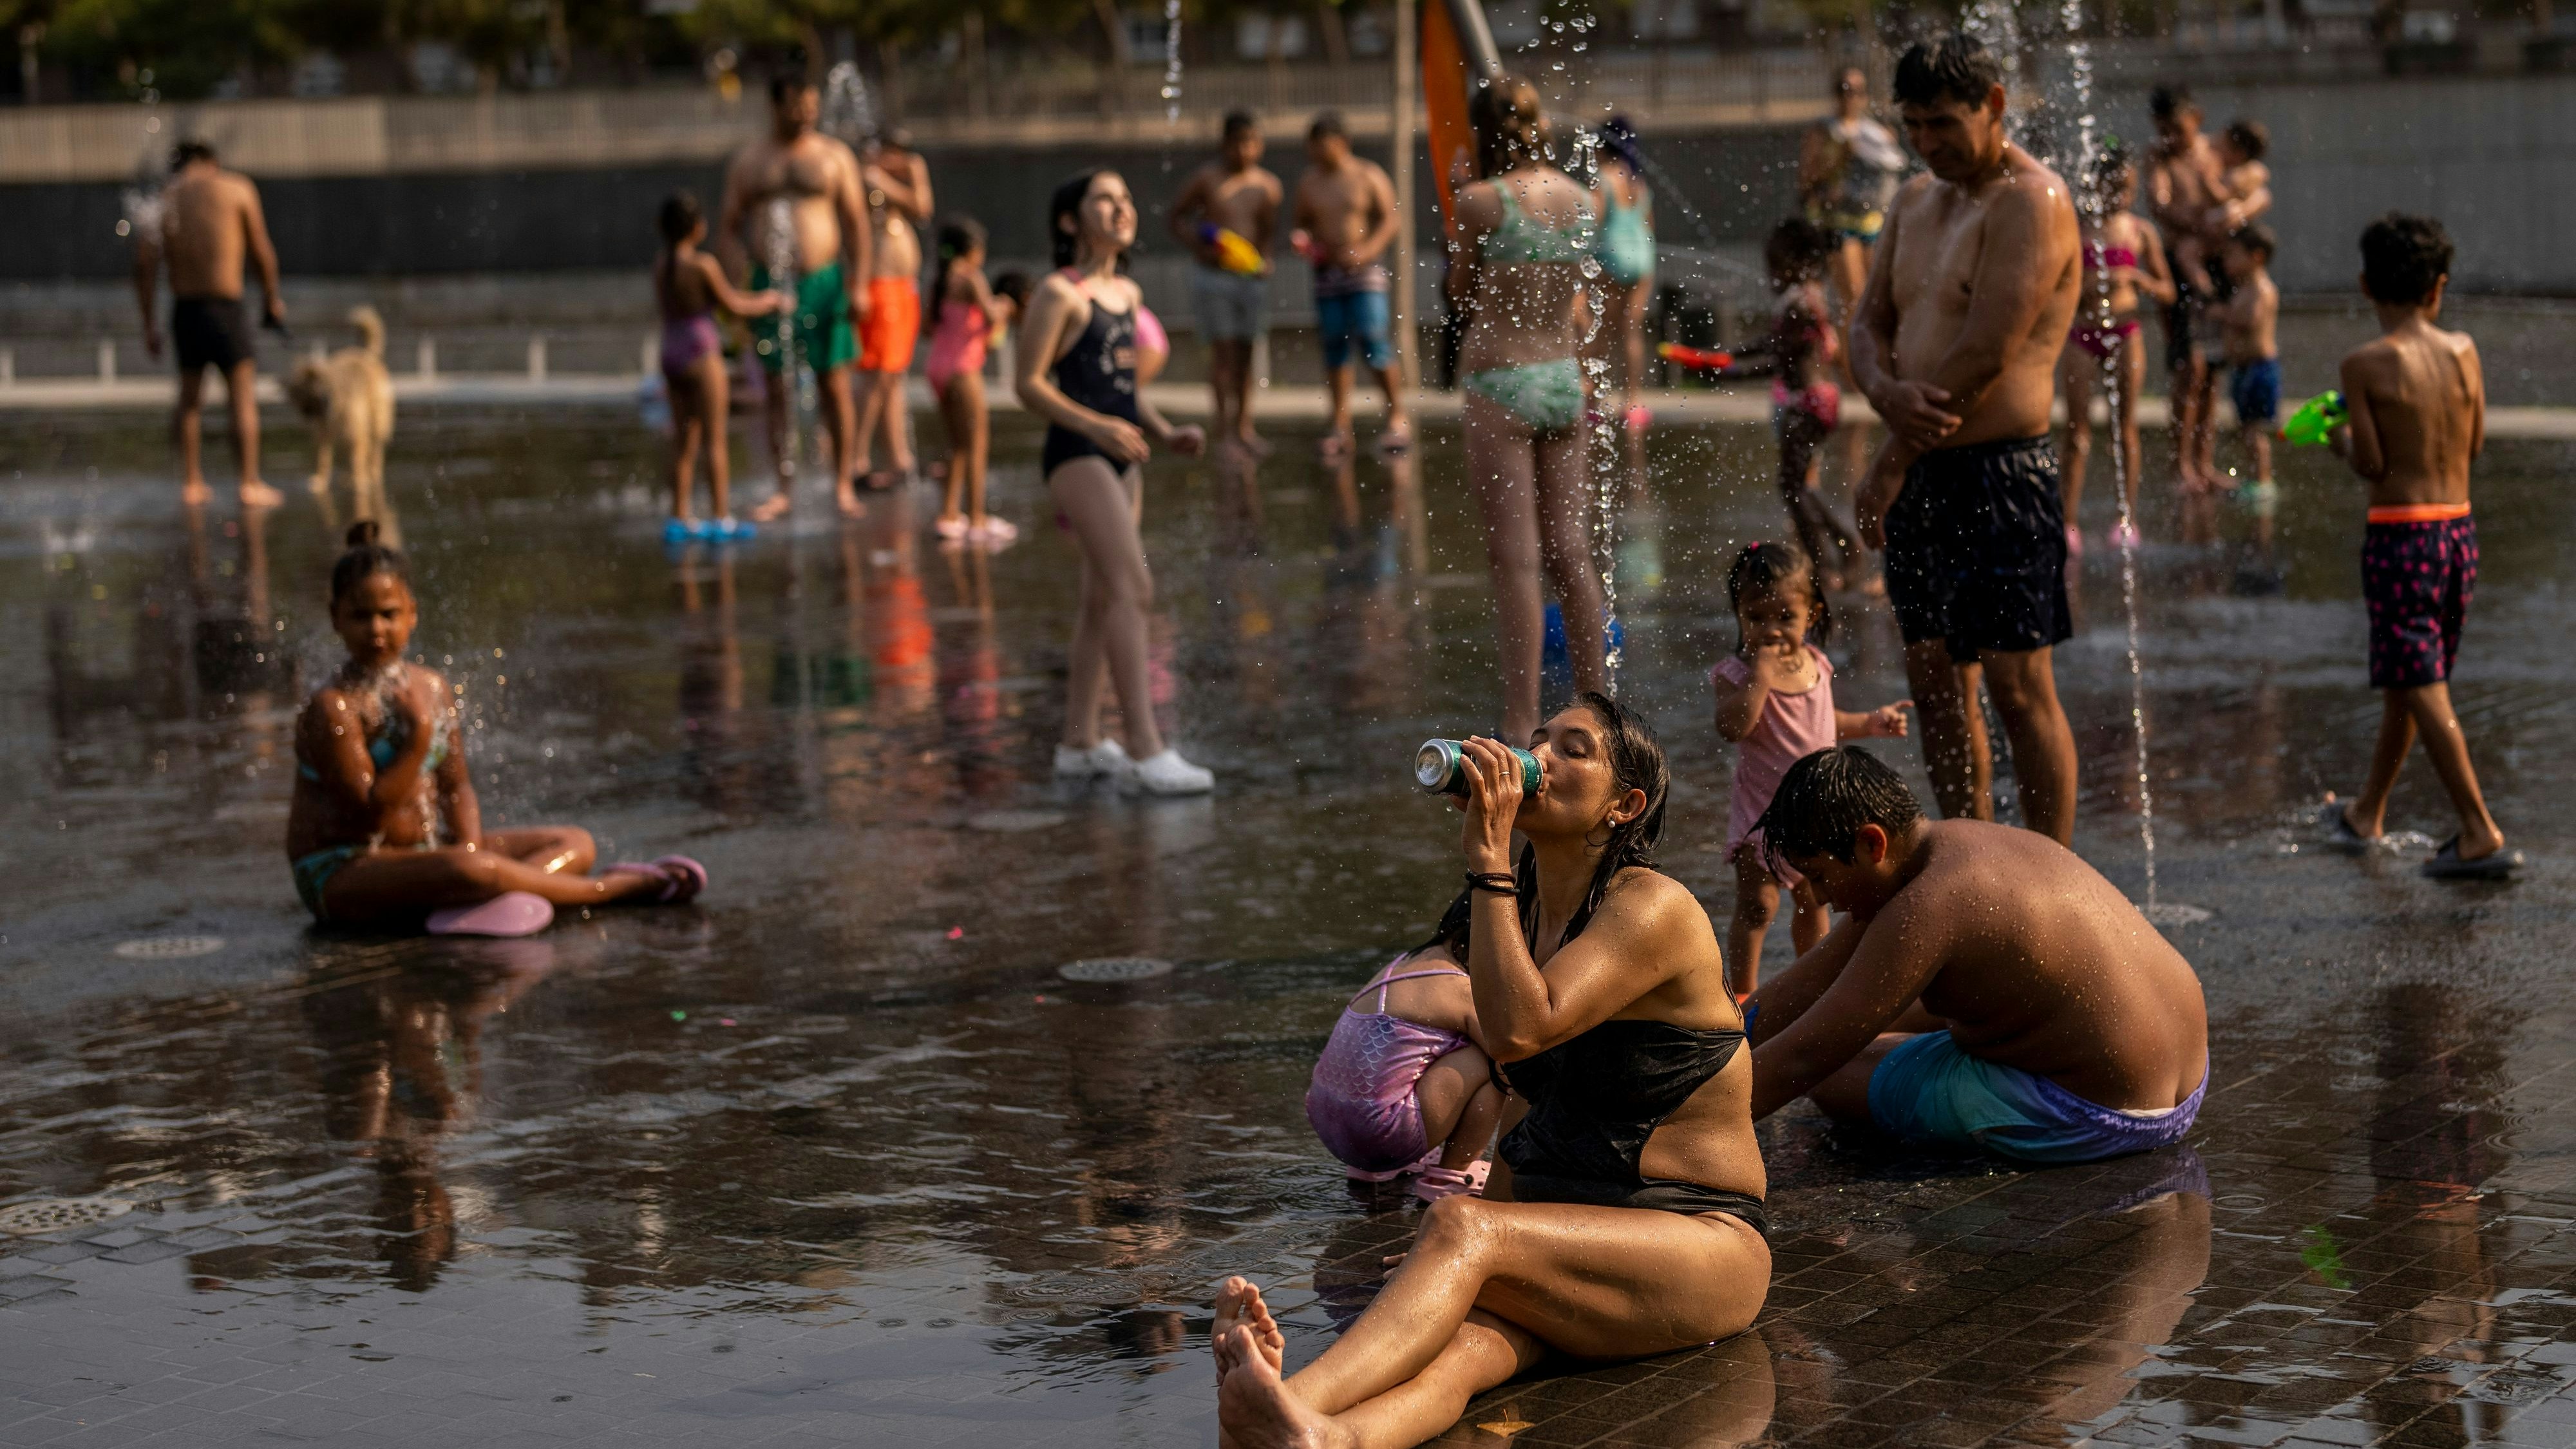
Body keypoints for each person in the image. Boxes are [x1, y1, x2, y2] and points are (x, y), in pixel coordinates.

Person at [1211, 696, 1770, 1449]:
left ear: (1622, 805)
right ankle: (1314, 1438)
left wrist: (1488, 862)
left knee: (1457, 1228)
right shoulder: (1524, 910)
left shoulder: (1652, 906)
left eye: (1575, 750)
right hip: (1571, 1242)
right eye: (1540, 741)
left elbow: (1519, 1031)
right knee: (1461, 1353)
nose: (1540, 756)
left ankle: (1277, 1396)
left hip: (1697, 1244)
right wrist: (1451, 1261)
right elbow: (1523, 1104)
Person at [1745, 746, 2210, 1163]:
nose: (1821, 899)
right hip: (2185, 1083)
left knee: (1831, 1070)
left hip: (2093, 1114)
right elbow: (1808, 981)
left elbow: (1807, 1057)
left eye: (1820, 876)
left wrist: (1685, 1126)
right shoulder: (1952, 847)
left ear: (1872, 843)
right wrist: (1708, 1039)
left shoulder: (1929, 904)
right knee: (1867, 1017)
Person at [1848, 33, 2083, 845]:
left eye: (1943, 123)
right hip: (1923, 474)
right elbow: (1867, 322)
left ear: (1993, 106)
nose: (1928, 142)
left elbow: (1988, 349)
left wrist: (1886, 462)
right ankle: (1973, 861)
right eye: (1914, 125)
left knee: (2019, 686)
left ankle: (2054, 877)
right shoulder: (1916, 199)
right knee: (1936, 679)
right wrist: (1882, 391)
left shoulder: (2033, 201)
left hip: (2000, 473)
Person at [289, 523, 707, 929]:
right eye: (361, 617)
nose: (377, 629)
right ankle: (609, 889)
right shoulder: (334, 708)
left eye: (389, 614)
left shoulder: (430, 687)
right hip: (346, 872)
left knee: (574, 843)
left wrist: (468, 843)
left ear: (412, 614)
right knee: (473, 869)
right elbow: (367, 820)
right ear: (335, 618)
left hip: (426, 856)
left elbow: (456, 786)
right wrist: (417, 739)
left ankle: (482, 892)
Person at [2320, 214, 2517, 878]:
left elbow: (2372, 465)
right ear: (2438, 288)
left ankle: (2476, 827)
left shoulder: (2363, 364)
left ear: (2365, 285)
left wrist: (2336, 439)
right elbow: (2475, 442)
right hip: (2458, 531)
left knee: (2419, 682)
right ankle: (2366, 811)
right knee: (2413, 680)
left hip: (2401, 534)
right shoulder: (2464, 351)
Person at [1016, 169, 1216, 796]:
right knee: (1134, 587)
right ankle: (1144, 747)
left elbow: (1124, 391)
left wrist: (1160, 428)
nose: (1120, 207)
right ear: (1070, 222)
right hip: (1077, 453)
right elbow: (1028, 384)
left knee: (1101, 598)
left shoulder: (1126, 294)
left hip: (1120, 452)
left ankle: (1078, 741)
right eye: (1103, 199)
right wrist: (1097, 427)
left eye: (1126, 198)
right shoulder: (1060, 294)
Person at [1447, 78, 1608, 744]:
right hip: (1563, 379)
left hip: (1501, 378)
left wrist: (1455, 200)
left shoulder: (1480, 202)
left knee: (1515, 560)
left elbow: (1460, 295)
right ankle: (1598, 707)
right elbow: (1576, 302)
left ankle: (1520, 720)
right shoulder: (1582, 201)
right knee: (1570, 552)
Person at [1711, 544, 1910, 1000]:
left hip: (1813, 814)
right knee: (1758, 906)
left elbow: (1823, 719)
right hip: (1762, 816)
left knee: (1814, 898)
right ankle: (1741, 993)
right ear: (1739, 615)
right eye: (1756, 617)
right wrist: (1760, 676)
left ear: (1811, 613)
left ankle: (1812, 984)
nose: (1771, 630)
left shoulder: (1816, 665)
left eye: (1785, 617)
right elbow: (1732, 727)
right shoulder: (1736, 674)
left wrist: (1870, 723)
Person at [716, 75, 870, 522]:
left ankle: (843, 483)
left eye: (813, 105)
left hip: (824, 283)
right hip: (770, 286)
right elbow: (729, 227)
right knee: (778, 389)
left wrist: (859, 285)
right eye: (798, 105)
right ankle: (784, 488)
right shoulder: (750, 160)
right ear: (776, 104)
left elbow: (857, 223)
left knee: (834, 385)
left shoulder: (834, 157)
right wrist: (735, 292)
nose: (808, 114)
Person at [1305, 889, 1506, 1204]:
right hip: (1381, 1136)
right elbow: (1514, 1053)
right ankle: (1451, 1176)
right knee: (1495, 1061)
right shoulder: (1459, 988)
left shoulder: (1402, 965)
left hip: (1330, 1125)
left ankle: (1373, 1171)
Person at [132, 140, 285, 509]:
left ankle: (192, 482)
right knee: (242, 399)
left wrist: (149, 323)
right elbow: (261, 249)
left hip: (185, 310)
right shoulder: (236, 188)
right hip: (227, 307)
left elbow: (145, 268)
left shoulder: (164, 200)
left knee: (189, 402)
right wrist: (271, 298)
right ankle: (248, 483)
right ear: (211, 162)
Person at [2058, 146, 2176, 558]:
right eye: (2116, 187)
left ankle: (2127, 518)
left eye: (2129, 189)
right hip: (2082, 333)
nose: (2124, 196)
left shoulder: (2140, 232)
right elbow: (2054, 288)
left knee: (2124, 429)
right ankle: (2067, 521)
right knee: (2075, 432)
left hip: (2126, 332)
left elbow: (2169, 292)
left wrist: (2138, 279)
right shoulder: (2075, 230)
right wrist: (2080, 290)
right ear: (2096, 184)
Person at [1738, 218, 1866, 588]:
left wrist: (1728, 373)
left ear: (1799, 264)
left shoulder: (1800, 305)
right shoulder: (1806, 296)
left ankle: (1829, 560)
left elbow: (1779, 359)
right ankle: (1837, 551)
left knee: (1794, 488)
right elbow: (1772, 343)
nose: (1771, 275)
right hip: (1812, 401)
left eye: (1776, 266)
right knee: (1797, 486)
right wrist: (1728, 357)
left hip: (1807, 404)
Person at [654, 193, 789, 535]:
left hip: (670, 353)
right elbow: (734, 306)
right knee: (715, 439)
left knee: (683, 441)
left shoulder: (661, 266)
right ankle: (720, 518)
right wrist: (771, 301)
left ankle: (678, 518)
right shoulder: (703, 266)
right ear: (697, 229)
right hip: (701, 353)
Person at [1291, 110, 1411, 460]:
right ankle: (1340, 425)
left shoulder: (1367, 174)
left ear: (1341, 143)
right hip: (1328, 272)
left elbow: (1392, 219)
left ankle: (1396, 416)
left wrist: (1368, 249)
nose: (1316, 153)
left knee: (1374, 339)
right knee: (1335, 346)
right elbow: (1301, 223)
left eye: (1322, 146)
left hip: (1365, 271)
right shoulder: (1310, 181)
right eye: (1312, 147)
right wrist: (1304, 242)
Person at [1170, 110, 1282, 457]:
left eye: (1251, 143)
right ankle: (1223, 430)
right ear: (1225, 144)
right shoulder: (1207, 179)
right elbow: (1177, 216)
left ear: (1260, 145)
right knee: (1222, 353)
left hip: (1249, 277)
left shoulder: (1267, 186)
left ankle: (1244, 427)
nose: (1245, 151)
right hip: (1213, 277)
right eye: (1238, 144)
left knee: (1247, 354)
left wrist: (1264, 260)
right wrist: (1198, 248)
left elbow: (1266, 231)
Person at [2147, 84, 2227, 511]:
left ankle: (2204, 462)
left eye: (2176, 129)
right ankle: (2180, 466)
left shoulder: (2214, 151)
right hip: (2178, 265)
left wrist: (2234, 212)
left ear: (2195, 118)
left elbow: (2250, 186)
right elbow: (2157, 204)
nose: (2171, 138)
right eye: (2163, 130)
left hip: (2213, 266)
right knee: (2187, 366)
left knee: (2212, 368)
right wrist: (2201, 221)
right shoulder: (2158, 157)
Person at [925, 218, 1020, 546]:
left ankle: (949, 514)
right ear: (973, 251)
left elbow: (928, 328)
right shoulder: (970, 278)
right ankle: (978, 518)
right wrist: (1005, 306)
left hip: (937, 367)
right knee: (978, 442)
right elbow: (992, 315)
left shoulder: (939, 283)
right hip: (963, 369)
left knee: (957, 445)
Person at [1800, 66, 1908, 340]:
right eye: (1846, 91)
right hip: (1837, 222)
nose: (1851, 98)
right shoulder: (1823, 131)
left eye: (1858, 91)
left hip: (1870, 219)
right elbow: (1806, 180)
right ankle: (1853, 374)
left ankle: (1872, 364)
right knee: (1855, 299)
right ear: (1836, 94)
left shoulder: (1873, 132)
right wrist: (1838, 158)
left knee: (1878, 297)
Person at [855, 128, 933, 490]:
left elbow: (922, 209)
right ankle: (857, 457)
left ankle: (899, 460)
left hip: (904, 286)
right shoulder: (866, 178)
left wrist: (903, 175)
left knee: (895, 375)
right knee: (880, 374)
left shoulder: (889, 182)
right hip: (880, 284)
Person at [2214, 223, 2281, 568]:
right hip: (2244, 369)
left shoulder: (2263, 289)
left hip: (2259, 368)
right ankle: (2255, 478)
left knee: (2255, 430)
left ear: (2256, 257)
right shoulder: (2244, 287)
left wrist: (2223, 314)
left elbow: (2252, 320)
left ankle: (2264, 481)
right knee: (2246, 428)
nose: (2229, 260)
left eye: (2235, 254)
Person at [1589, 115, 1658, 432]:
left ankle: (1594, 404)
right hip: (1642, 258)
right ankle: (1633, 404)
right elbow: (1648, 224)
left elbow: (1595, 220)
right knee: (1632, 331)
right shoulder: (1637, 180)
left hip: (1612, 256)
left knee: (1601, 332)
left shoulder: (1603, 178)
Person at [2209, 120, 2273, 237]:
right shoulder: (2207, 158)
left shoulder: (2244, 174)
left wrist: (2208, 181)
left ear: (2239, 154)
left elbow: (2223, 198)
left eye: (2221, 141)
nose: (2214, 142)